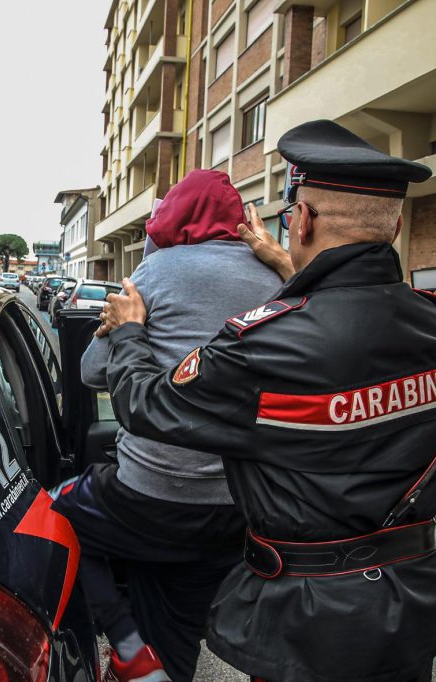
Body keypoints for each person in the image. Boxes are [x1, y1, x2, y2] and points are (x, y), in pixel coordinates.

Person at [96, 120, 436, 682]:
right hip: (410, 604)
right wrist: (291, 270)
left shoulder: (266, 344)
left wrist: (128, 333)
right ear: (392, 227)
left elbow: (146, 406)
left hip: (310, 621)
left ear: (302, 218)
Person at [52, 170, 281, 682]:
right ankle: (146, 650)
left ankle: (128, 645)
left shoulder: (155, 272)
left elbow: (91, 372)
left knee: (54, 512)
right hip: (242, 505)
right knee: (173, 603)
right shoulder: (280, 276)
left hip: (147, 497)